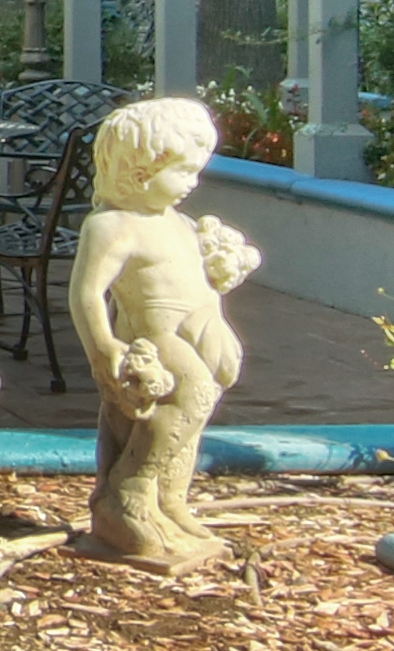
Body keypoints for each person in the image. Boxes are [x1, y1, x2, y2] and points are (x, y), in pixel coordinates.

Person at [66, 96, 258, 574]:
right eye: (184, 171)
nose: (193, 182)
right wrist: (103, 347)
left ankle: (169, 500)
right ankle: (127, 492)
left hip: (198, 325)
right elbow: (86, 293)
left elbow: (192, 273)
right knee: (188, 397)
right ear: (139, 173)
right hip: (154, 335)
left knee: (191, 416)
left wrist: (224, 266)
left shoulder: (176, 220)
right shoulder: (112, 225)